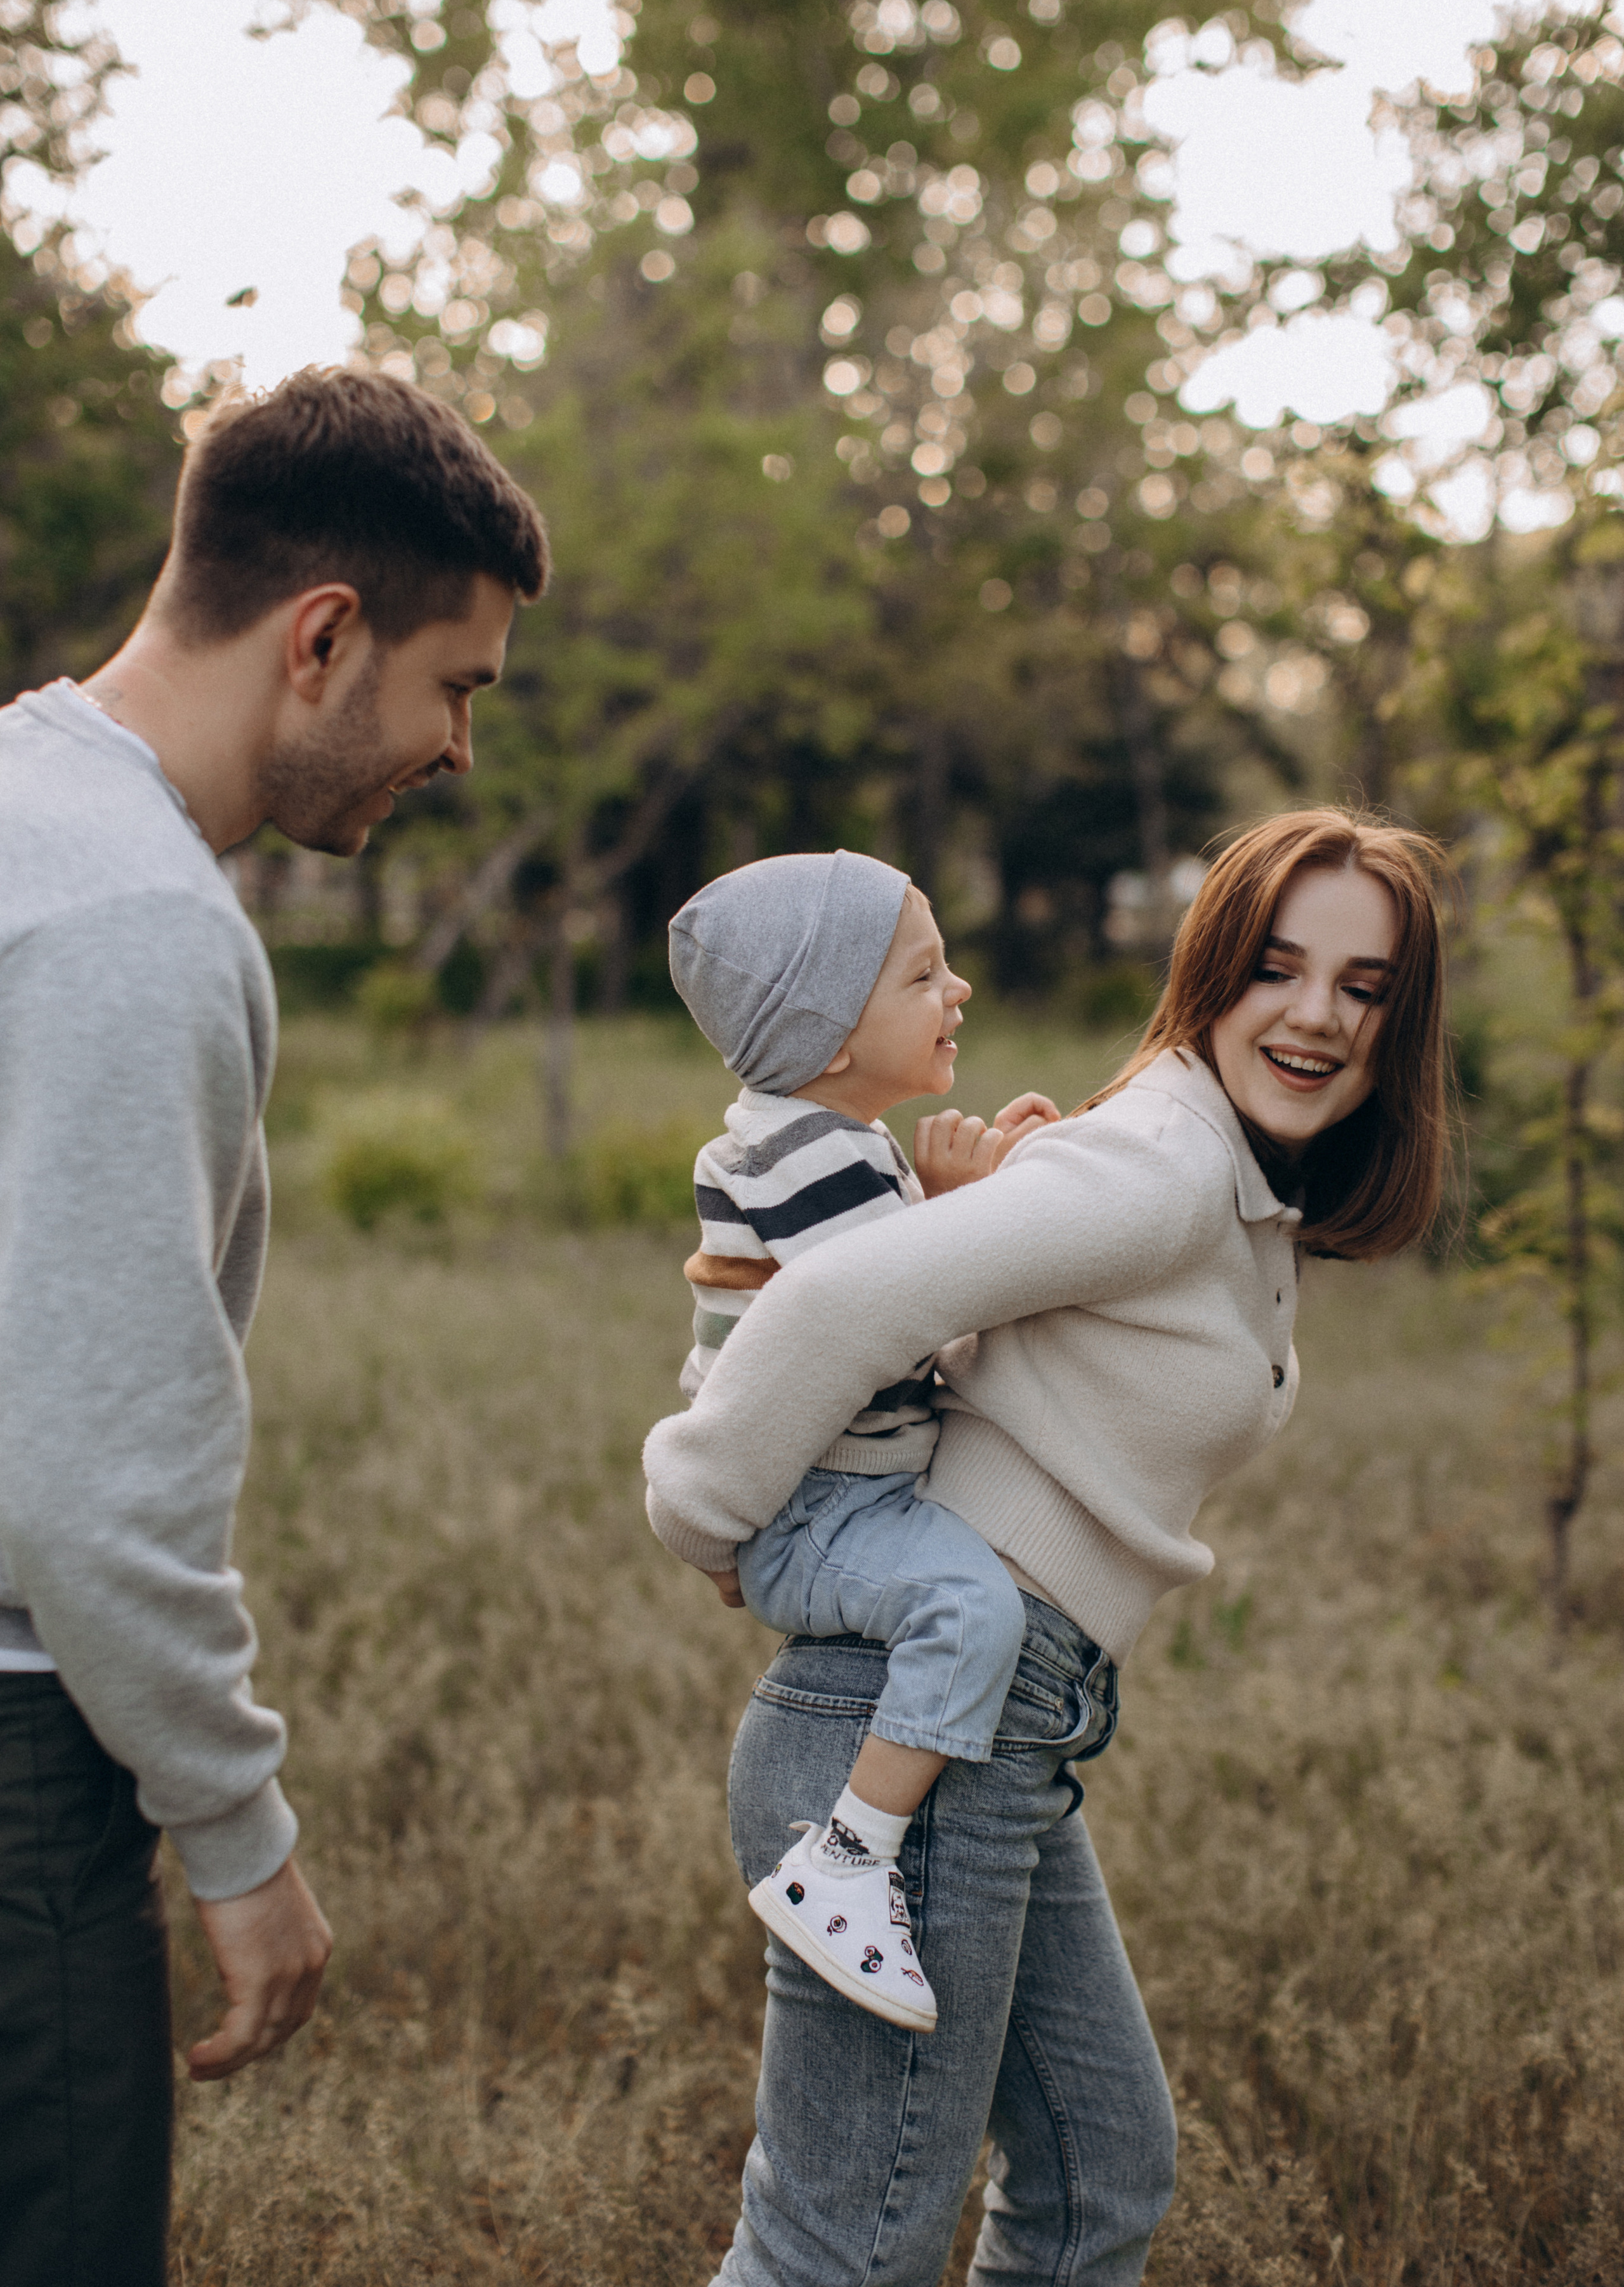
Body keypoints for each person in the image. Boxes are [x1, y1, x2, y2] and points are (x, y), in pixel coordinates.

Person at [643, 806, 1451, 2287]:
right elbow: (830, 1308)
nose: (1317, 1016)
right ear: (1213, 968)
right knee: (847, 2248)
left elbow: (932, 1310)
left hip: (1007, 1733)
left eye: (1364, 986)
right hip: (913, 1724)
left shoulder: (1220, 1178)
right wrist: (706, 1513)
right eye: (1278, 967)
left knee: (1096, 2181)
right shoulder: (1158, 1164)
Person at [0, 367, 547, 2287]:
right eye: (455, 686)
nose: (458, 750)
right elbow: (78, 1490)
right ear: (325, 637)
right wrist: (241, 1842)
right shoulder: (138, 924)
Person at [660, 850, 1058, 2029]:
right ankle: (845, 1861)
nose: (961, 991)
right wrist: (986, 1208)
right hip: (824, 1513)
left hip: (822, 1502)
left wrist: (945, 1202)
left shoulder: (815, 1144)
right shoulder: (809, 1155)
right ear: (832, 1035)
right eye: (926, 973)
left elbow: (873, 1281)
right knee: (973, 1614)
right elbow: (890, 1326)